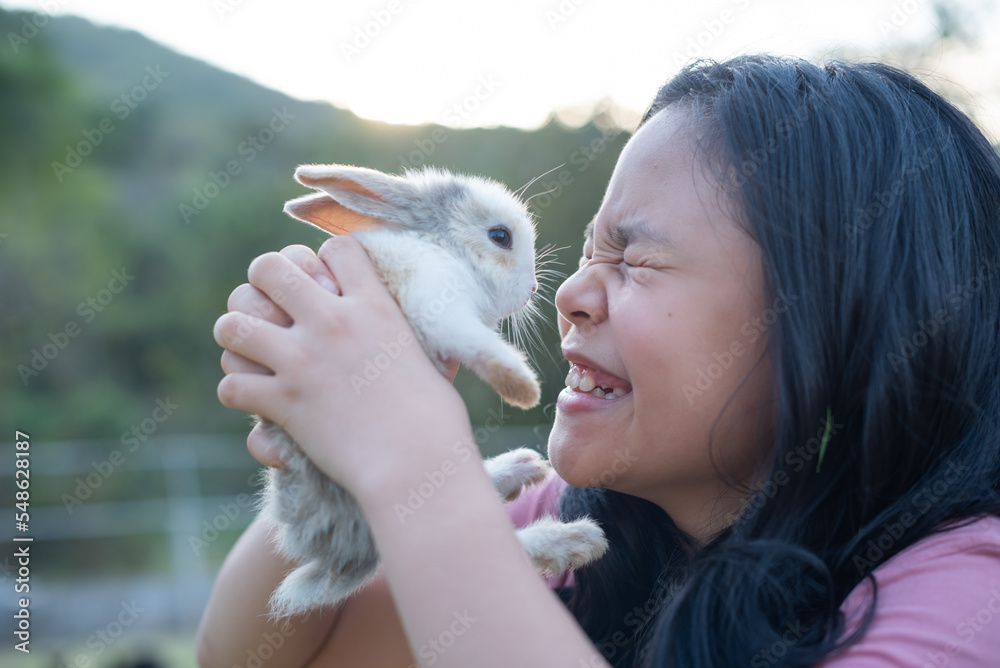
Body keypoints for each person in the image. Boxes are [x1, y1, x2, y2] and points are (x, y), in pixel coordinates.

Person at [198, 54, 1000, 667]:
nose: (571, 293)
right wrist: (334, 451)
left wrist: (410, 461)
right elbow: (270, 653)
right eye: (586, 251)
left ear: (833, 314)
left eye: (635, 259)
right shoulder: (564, 528)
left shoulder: (970, 591)